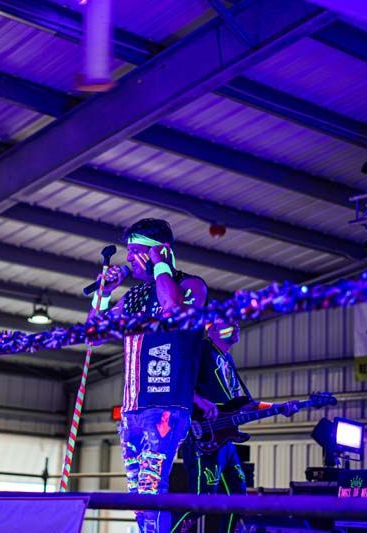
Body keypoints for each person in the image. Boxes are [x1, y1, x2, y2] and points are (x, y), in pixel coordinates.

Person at [89, 218, 207, 533]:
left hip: (165, 405)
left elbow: (172, 310)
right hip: (132, 410)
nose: (128, 259)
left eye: (136, 252)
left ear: (159, 252)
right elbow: (94, 334)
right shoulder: (133, 297)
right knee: (138, 498)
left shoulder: (190, 285)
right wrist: (104, 293)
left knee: (152, 488)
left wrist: (160, 266)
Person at [174, 319, 298, 533]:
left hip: (225, 440)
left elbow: (246, 404)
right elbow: (176, 380)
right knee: (199, 502)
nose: (236, 325)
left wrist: (278, 407)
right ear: (211, 330)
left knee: (239, 501)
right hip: (202, 436)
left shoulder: (227, 360)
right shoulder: (201, 349)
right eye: (228, 323)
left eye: (237, 323)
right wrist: (199, 400)